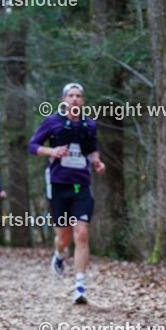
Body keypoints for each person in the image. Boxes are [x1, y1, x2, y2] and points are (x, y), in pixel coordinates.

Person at [28, 83, 105, 303]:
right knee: (64, 237)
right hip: (58, 185)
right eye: (70, 95)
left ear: (83, 100)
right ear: (64, 100)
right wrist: (52, 150)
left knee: (81, 234)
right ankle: (60, 254)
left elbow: (92, 149)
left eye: (78, 96)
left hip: (80, 185)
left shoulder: (89, 124)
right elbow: (32, 146)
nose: (75, 99)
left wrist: (97, 162)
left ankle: (79, 287)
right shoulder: (52, 121)